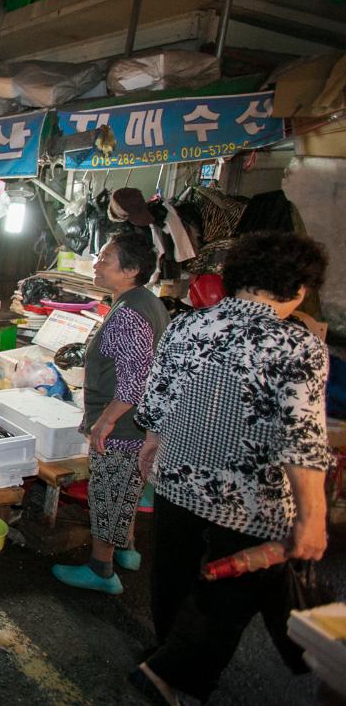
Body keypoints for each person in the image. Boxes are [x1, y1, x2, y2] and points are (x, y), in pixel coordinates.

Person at [130, 232, 331, 705]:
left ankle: (165, 649)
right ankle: (170, 672)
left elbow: (154, 403)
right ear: (299, 288)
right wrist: (312, 515)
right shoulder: (297, 346)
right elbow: (301, 440)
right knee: (232, 593)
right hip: (248, 498)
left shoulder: (188, 327)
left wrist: (153, 446)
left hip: (177, 478)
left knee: (173, 576)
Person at [52, 233, 169, 595]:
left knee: (107, 491)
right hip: (142, 423)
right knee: (128, 488)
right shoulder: (147, 302)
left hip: (123, 425)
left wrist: (106, 419)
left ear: (131, 270)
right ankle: (128, 549)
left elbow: (136, 378)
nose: (96, 264)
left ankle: (101, 569)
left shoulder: (130, 314)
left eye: (105, 259)